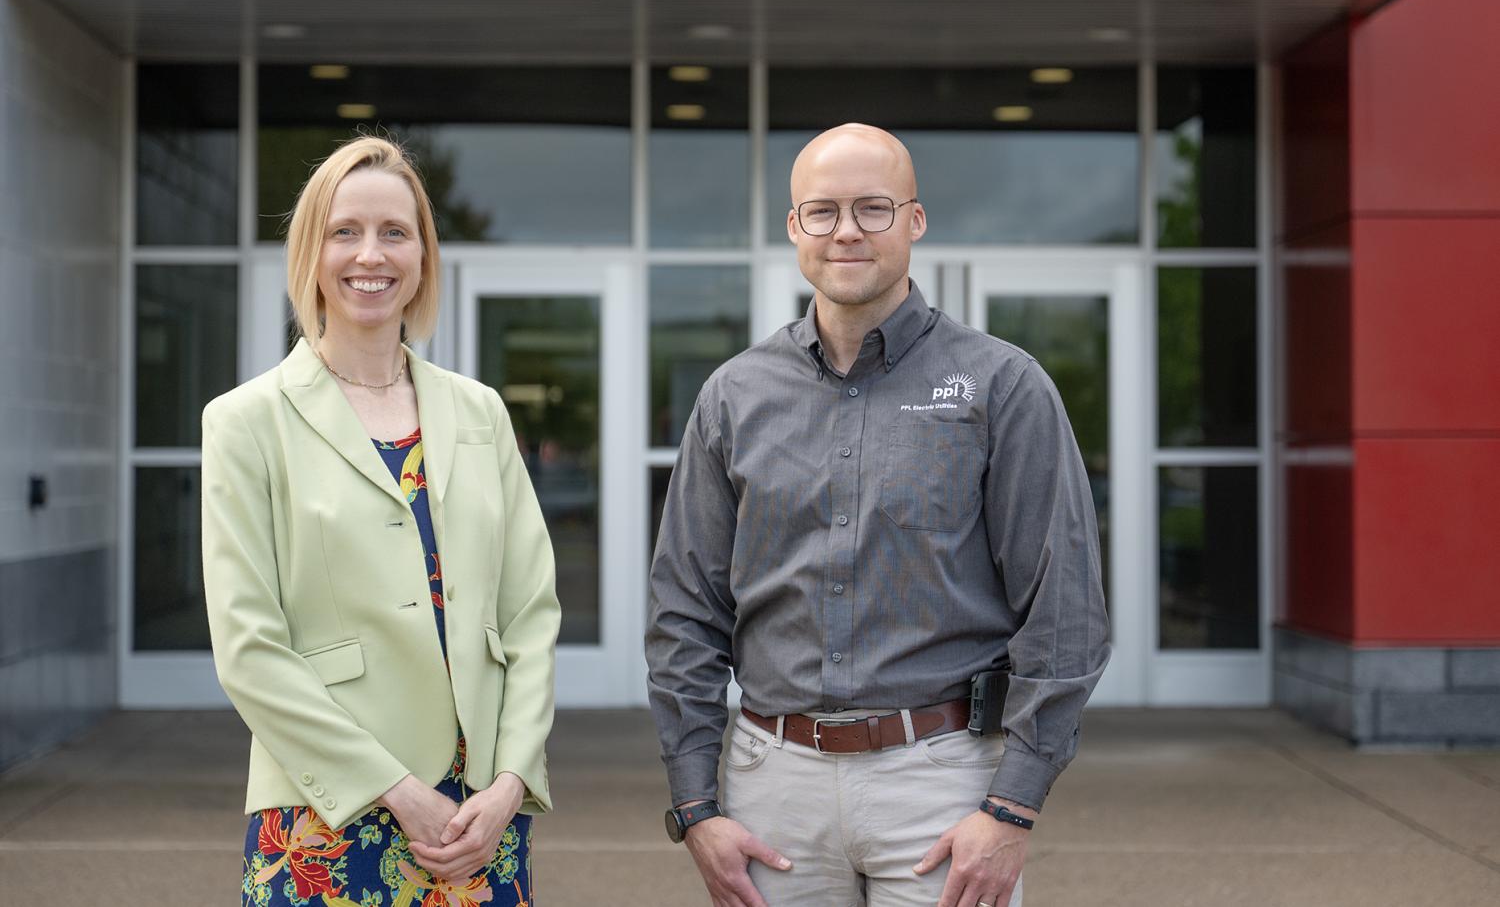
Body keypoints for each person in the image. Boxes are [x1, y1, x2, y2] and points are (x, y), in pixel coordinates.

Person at [646, 123, 1110, 907]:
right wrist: (696, 805)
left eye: (873, 207)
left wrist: (1013, 805)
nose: (848, 230)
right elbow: (686, 611)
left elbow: (1065, 614)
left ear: (915, 222)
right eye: (822, 211)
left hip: (942, 783)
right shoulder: (733, 396)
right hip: (771, 787)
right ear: (794, 228)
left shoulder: (1002, 386)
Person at [201, 136, 560, 907]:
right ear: (311, 252)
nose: (372, 254)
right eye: (345, 231)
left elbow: (530, 615)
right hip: (327, 810)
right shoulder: (245, 422)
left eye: (396, 232)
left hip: (478, 821)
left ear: (424, 256)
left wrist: (508, 784)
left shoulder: (480, 413)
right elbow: (248, 646)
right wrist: (397, 789)